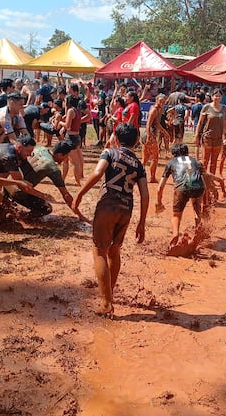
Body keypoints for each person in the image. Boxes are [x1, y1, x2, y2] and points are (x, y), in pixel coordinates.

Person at [73, 122, 148, 318]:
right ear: (137, 141)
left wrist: (80, 194)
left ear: (115, 138)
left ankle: (106, 302)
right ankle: (109, 293)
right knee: (114, 251)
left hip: (108, 204)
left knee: (99, 250)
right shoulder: (138, 164)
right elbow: (145, 194)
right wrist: (142, 222)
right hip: (126, 208)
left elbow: (98, 173)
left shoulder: (110, 153)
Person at [156, 143, 205, 240]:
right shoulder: (196, 161)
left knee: (176, 215)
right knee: (197, 209)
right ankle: (198, 233)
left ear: (173, 154)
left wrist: (159, 202)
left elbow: (160, 187)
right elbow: (203, 181)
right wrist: (205, 197)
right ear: (187, 153)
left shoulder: (171, 162)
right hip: (199, 186)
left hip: (182, 188)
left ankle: (175, 235)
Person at [195, 89, 226, 176]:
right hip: (207, 137)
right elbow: (200, 122)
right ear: (212, 97)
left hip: (218, 137)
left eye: (219, 96)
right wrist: (197, 135)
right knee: (205, 160)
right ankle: (203, 179)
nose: (217, 97)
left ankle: (211, 179)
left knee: (214, 161)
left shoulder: (224, 108)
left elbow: (224, 122)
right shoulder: (206, 107)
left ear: (221, 97)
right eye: (215, 95)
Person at [143, 94, 170, 182]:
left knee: (146, 158)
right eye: (160, 101)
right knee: (154, 157)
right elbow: (148, 124)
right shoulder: (154, 110)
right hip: (150, 135)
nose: (162, 103)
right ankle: (152, 177)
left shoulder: (159, 109)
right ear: (156, 100)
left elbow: (157, 124)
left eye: (163, 101)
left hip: (151, 135)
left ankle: (138, 176)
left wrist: (165, 132)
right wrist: (148, 136)